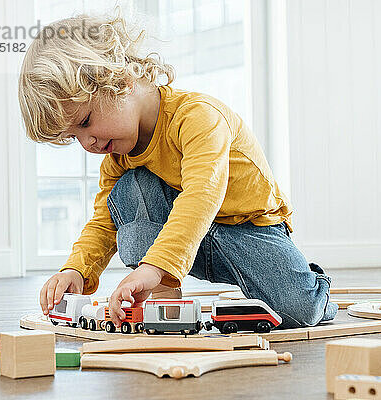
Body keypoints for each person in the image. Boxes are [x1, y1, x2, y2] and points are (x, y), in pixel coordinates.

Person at [18, 13, 337, 329]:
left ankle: (311, 282)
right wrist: (76, 270)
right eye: (74, 136)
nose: (87, 143)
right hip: (184, 242)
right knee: (132, 185)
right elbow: (103, 222)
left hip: (249, 229)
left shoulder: (198, 116)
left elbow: (201, 195)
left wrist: (155, 265)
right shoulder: (117, 157)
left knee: (298, 312)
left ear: (121, 80)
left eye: (85, 122)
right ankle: (161, 296)